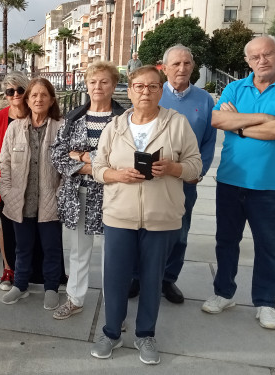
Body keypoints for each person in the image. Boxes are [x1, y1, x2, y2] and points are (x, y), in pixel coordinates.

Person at [90, 66, 201, 365]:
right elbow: (98, 167)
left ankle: (145, 334)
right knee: (114, 278)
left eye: (153, 87)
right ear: (130, 90)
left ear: (161, 90)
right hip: (119, 215)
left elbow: (195, 167)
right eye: (139, 86)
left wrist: (174, 168)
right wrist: (116, 174)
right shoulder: (115, 126)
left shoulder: (177, 124)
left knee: (152, 279)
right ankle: (111, 332)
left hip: (161, 216)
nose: (145, 92)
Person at [202, 35, 275, 330]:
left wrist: (241, 127)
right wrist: (263, 118)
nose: (262, 61)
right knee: (226, 241)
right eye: (255, 57)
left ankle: (265, 302)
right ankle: (224, 292)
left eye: (267, 54)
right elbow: (217, 120)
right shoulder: (236, 87)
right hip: (231, 180)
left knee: (268, 245)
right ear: (247, 61)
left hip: (270, 184)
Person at [129, 45, 217, 303]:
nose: (182, 69)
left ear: (193, 67)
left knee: (179, 232)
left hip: (184, 180)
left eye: (187, 63)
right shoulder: (152, 92)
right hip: (148, 179)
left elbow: (208, 142)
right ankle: (136, 276)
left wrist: (197, 174)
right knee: (140, 228)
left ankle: (168, 279)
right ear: (164, 67)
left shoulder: (204, 100)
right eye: (176, 64)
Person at [50, 61, 125, 320]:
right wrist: (95, 163)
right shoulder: (74, 119)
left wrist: (81, 156)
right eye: (93, 82)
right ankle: (75, 298)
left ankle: (113, 308)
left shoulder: (124, 120)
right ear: (86, 85)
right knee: (79, 251)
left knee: (112, 254)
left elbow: (123, 158)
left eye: (104, 82)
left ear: (114, 85)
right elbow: (58, 154)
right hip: (78, 194)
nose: (98, 87)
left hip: (113, 195)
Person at [0, 78, 65, 309]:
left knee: (51, 247)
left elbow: (68, 165)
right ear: (27, 99)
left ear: (52, 99)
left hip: (49, 199)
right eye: (34, 95)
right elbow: (4, 162)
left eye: (43, 95)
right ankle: (20, 284)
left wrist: (60, 194)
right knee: (22, 246)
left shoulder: (61, 127)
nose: (38, 99)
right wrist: (6, 192)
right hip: (20, 200)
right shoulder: (15, 128)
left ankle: (51, 287)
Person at [0, 73, 30, 290]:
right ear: (5, 95)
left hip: (34, 182)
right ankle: (8, 269)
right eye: (10, 91)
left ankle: (31, 269)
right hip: (7, 183)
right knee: (8, 226)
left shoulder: (35, 114)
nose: (16, 94)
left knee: (33, 226)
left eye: (20, 89)